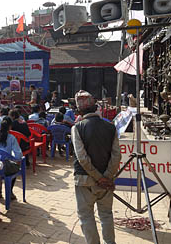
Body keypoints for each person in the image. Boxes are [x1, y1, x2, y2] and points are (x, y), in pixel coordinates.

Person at [72, 90, 121, 244]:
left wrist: (99, 177)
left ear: (79, 110)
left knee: (86, 216)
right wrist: (106, 177)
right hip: (106, 180)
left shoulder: (77, 128)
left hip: (84, 180)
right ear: (95, 108)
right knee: (106, 214)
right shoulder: (110, 127)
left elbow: (82, 158)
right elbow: (116, 156)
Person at [0, 117, 22, 200]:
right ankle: (10, 191)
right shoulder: (12, 138)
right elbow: (18, 154)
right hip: (5, 166)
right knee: (15, 167)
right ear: (10, 127)